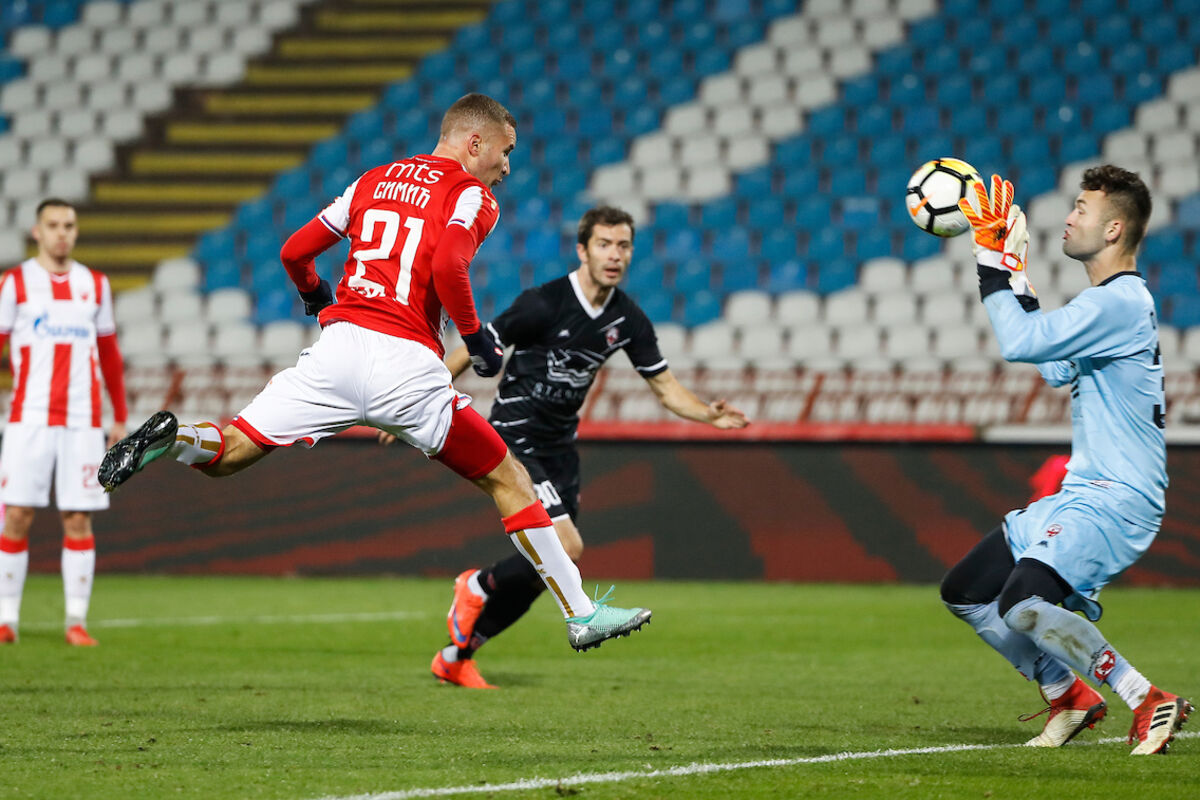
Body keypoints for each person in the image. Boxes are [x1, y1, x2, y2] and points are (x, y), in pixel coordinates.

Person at [98, 94, 651, 656]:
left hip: (337, 353)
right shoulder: (472, 195)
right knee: (510, 481)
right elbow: (447, 264)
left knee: (231, 450)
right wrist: (475, 338)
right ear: (474, 142)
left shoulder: (373, 181)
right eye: (505, 152)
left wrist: (316, 294)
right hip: (406, 366)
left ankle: (173, 438)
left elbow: (294, 252)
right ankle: (580, 613)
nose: (507, 167)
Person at [416, 205, 749, 688]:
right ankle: (478, 584)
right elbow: (475, 344)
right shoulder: (543, 303)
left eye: (624, 246)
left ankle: (456, 656)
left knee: (552, 562)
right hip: (516, 435)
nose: (615, 255)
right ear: (582, 250)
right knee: (566, 545)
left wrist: (707, 414)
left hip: (559, 448)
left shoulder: (627, 317)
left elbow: (665, 388)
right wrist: (424, 395)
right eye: (604, 244)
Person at [940, 166, 1191, 754]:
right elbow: (1054, 365)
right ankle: (1067, 694)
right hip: (1086, 493)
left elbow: (1020, 342)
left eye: (1082, 208)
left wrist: (991, 263)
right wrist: (1014, 271)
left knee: (1021, 603)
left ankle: (1146, 697)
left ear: (1114, 229)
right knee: (967, 591)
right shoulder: (1110, 303)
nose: (1069, 217)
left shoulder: (1120, 301)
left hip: (1116, 500)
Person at [0, 198, 129, 646]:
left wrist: (120, 415)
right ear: (37, 231)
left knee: (77, 518)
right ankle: (6, 619)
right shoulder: (14, 283)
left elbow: (109, 354)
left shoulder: (95, 284)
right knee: (17, 515)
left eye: (69, 225)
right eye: (53, 225)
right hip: (28, 418)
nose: (62, 233)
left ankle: (76, 621)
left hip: (82, 421)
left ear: (76, 231)